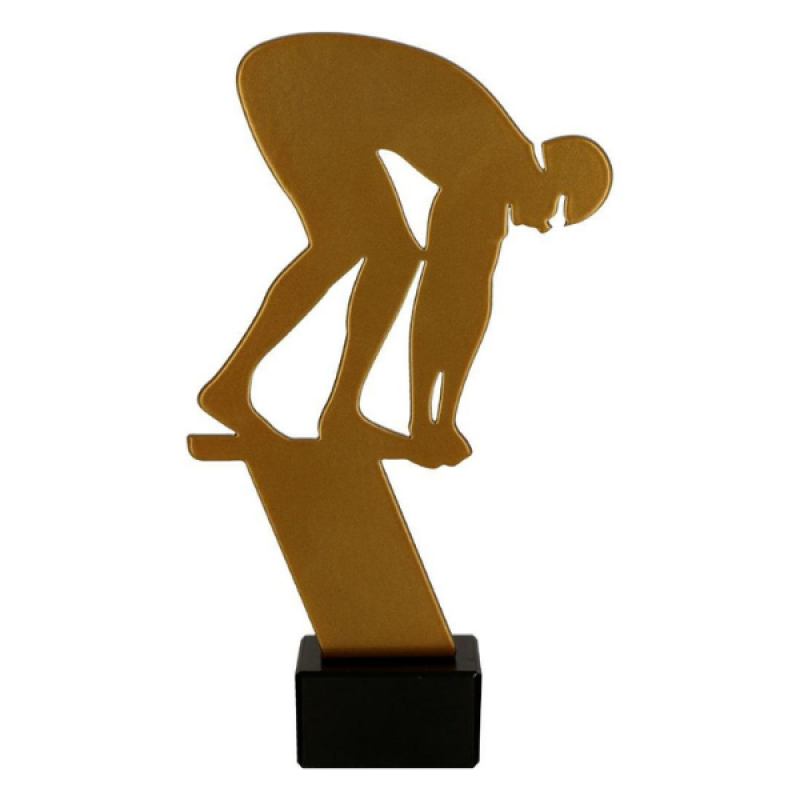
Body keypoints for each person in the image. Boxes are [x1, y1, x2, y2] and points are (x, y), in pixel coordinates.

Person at [199, 33, 612, 467]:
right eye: (558, 209)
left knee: (390, 253)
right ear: (548, 177)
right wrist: (429, 426)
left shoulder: (496, 169)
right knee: (348, 244)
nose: (545, 226)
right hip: (294, 85)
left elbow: (462, 306)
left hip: (325, 100)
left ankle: (335, 411)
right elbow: (445, 305)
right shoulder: (488, 172)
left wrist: (438, 422)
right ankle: (236, 389)